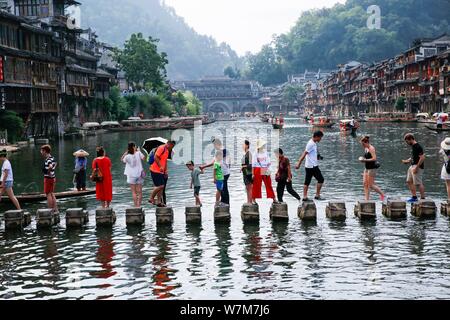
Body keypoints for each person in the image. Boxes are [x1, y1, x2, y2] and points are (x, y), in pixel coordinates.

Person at [295, 131, 325, 201]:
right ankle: (316, 195)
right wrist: (299, 163)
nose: (321, 139)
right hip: (312, 166)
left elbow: (311, 154)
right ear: (317, 136)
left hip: (311, 165)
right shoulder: (311, 144)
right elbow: (304, 153)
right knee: (320, 179)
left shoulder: (313, 143)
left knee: (307, 181)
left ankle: (305, 197)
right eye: (320, 137)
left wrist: (318, 157)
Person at [200, 138, 230, 205]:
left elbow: (214, 163)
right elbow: (214, 162)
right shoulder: (223, 150)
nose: (214, 147)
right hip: (226, 172)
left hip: (223, 173)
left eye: (214, 145)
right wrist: (204, 166)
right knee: (223, 189)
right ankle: (224, 203)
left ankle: (225, 203)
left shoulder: (222, 151)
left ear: (217, 144)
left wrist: (204, 167)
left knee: (223, 189)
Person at [149, 140, 176, 207]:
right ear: (169, 144)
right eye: (172, 146)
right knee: (160, 186)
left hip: (161, 171)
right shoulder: (162, 148)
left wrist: (165, 171)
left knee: (161, 187)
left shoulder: (167, 151)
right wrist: (160, 166)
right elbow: (156, 157)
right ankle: (151, 198)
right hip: (155, 170)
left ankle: (159, 201)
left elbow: (165, 161)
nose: (172, 148)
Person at [359, 136, 385, 201]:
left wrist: (364, 160)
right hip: (366, 168)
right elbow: (366, 157)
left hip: (372, 168)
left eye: (363, 144)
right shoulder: (366, 148)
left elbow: (374, 158)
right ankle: (366, 199)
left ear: (367, 142)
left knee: (371, 185)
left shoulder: (371, 148)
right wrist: (361, 158)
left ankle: (383, 195)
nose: (363, 145)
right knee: (365, 184)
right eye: (362, 144)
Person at [402, 133, 425, 203]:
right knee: (409, 181)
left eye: (407, 141)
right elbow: (414, 157)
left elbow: (422, 158)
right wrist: (407, 161)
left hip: (417, 166)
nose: (407, 143)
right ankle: (414, 197)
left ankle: (423, 198)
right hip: (412, 166)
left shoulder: (418, 146)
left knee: (418, 183)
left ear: (411, 139)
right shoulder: (413, 146)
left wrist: (416, 168)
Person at [121, 142, 145, 208]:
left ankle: (135, 206)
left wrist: (125, 153)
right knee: (139, 192)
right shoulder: (138, 153)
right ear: (134, 147)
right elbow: (144, 158)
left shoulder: (127, 156)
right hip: (139, 174)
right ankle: (139, 206)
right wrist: (139, 151)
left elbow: (122, 160)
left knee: (133, 192)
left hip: (131, 176)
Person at [252, 139, 276, 203]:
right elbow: (253, 165)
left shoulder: (266, 153)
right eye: (262, 145)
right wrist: (253, 174)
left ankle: (273, 198)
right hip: (257, 169)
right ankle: (254, 199)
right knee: (256, 185)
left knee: (268, 184)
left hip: (265, 168)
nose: (264, 146)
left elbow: (269, 162)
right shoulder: (255, 153)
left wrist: (269, 169)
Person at [40, 145, 58, 212]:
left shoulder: (48, 160)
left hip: (48, 178)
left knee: (48, 194)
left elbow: (50, 166)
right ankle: (55, 209)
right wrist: (53, 171)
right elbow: (55, 163)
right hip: (53, 178)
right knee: (52, 193)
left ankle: (50, 210)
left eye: (42, 151)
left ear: (45, 151)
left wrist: (48, 172)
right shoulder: (52, 158)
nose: (41, 152)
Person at [241, 140, 253, 204]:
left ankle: (250, 202)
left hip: (248, 173)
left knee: (249, 187)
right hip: (245, 173)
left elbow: (251, 165)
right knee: (247, 188)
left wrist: (243, 166)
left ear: (247, 145)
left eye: (244, 145)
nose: (243, 146)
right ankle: (248, 201)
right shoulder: (245, 154)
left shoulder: (249, 154)